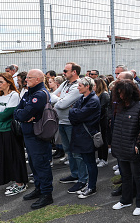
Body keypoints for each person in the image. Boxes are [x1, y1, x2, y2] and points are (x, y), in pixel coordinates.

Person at [15, 69, 54, 209]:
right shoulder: (28, 93)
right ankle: (39, 189)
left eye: (29, 78)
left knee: (41, 164)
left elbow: (24, 114)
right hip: (29, 134)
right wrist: (22, 114)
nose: (26, 80)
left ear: (38, 79)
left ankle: (46, 194)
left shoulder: (39, 94)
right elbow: (18, 111)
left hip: (38, 135)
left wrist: (23, 114)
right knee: (33, 162)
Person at [110, 79, 140, 215]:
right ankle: (125, 200)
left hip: (132, 147)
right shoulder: (118, 106)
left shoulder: (139, 106)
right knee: (125, 176)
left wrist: (137, 144)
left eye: (123, 93)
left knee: (137, 176)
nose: (120, 96)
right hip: (120, 146)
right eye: (118, 93)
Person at [52, 63, 85, 194]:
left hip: (71, 123)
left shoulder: (78, 85)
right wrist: (60, 99)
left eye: (66, 70)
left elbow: (62, 104)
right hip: (61, 121)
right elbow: (51, 96)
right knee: (68, 150)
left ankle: (83, 179)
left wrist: (59, 99)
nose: (63, 72)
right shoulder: (65, 84)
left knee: (77, 152)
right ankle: (75, 174)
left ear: (74, 72)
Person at [0, 73, 28, 196]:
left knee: (15, 157)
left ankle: (21, 183)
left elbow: (3, 115)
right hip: (1, 131)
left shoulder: (14, 95)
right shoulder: (1, 96)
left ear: (8, 82)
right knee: (6, 157)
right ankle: (15, 181)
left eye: (0, 82)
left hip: (10, 131)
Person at [69, 77, 101, 199]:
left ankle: (92, 187)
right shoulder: (83, 98)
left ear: (87, 86)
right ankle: (89, 185)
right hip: (81, 134)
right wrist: (75, 113)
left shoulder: (93, 100)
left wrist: (74, 112)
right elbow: (73, 113)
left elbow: (78, 114)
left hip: (87, 135)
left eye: (80, 85)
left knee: (90, 162)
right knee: (87, 161)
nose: (78, 87)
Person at [94, 78, 110, 168]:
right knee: (99, 139)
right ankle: (100, 157)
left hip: (103, 121)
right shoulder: (97, 95)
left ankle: (104, 159)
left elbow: (102, 108)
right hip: (99, 120)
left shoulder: (104, 95)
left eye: (95, 85)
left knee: (103, 139)